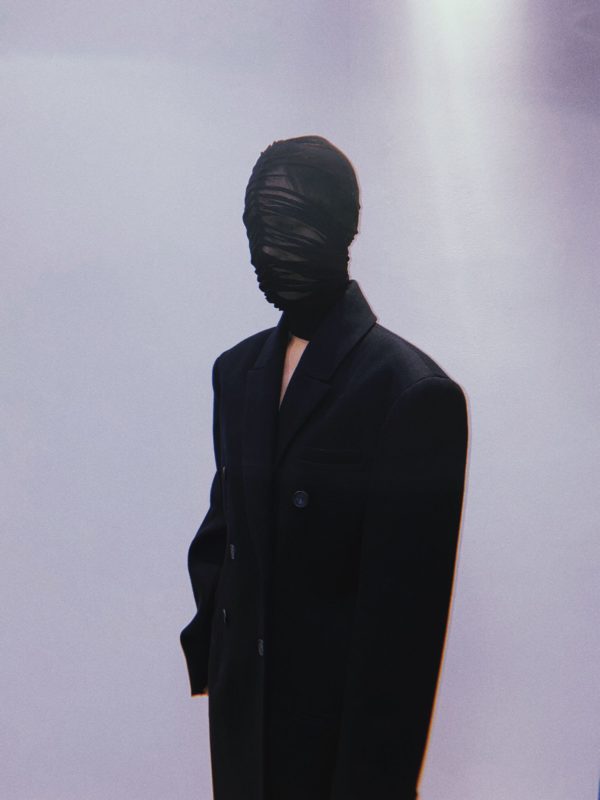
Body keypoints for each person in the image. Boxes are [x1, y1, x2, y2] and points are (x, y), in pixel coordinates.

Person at [180, 135, 469, 800]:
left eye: (292, 220)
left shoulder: (410, 392)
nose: (269, 246)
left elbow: (404, 631)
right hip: (243, 723)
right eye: (258, 222)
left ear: (342, 228)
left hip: (333, 741)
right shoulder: (237, 371)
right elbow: (228, 524)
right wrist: (218, 651)